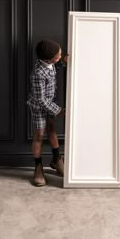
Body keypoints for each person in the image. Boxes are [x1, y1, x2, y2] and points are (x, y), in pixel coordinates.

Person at [27, 39, 68, 187]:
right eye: (58, 55)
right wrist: (59, 111)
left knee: (52, 130)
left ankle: (57, 160)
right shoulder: (38, 73)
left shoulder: (51, 63)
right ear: (47, 59)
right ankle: (38, 168)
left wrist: (63, 61)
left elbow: (56, 64)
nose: (60, 56)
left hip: (50, 104)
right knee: (40, 134)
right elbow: (40, 100)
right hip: (39, 106)